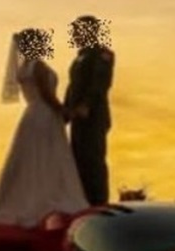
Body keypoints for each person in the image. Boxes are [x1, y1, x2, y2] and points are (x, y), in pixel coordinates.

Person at [0, 28, 89, 227]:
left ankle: (28, 201)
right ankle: (43, 202)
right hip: (44, 115)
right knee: (47, 158)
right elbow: (47, 95)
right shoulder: (37, 66)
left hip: (32, 116)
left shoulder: (23, 68)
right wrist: (67, 112)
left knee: (31, 161)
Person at [64, 16, 115, 206]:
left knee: (93, 159)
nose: (76, 35)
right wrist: (66, 110)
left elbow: (100, 83)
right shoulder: (79, 57)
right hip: (77, 118)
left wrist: (86, 105)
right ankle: (83, 199)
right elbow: (73, 87)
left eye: (79, 30)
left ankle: (98, 200)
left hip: (94, 116)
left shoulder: (103, 54)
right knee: (79, 159)